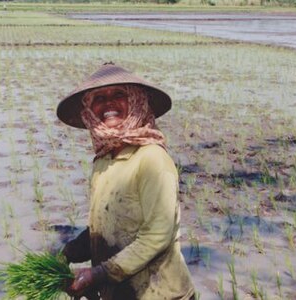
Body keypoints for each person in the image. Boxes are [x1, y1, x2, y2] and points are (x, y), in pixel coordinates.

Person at [56, 63, 195, 300]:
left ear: (136, 102)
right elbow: (108, 226)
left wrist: (97, 274)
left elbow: (157, 236)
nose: (108, 103)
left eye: (119, 94)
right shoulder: (103, 161)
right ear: (89, 110)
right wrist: (67, 254)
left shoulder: (151, 158)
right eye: (99, 98)